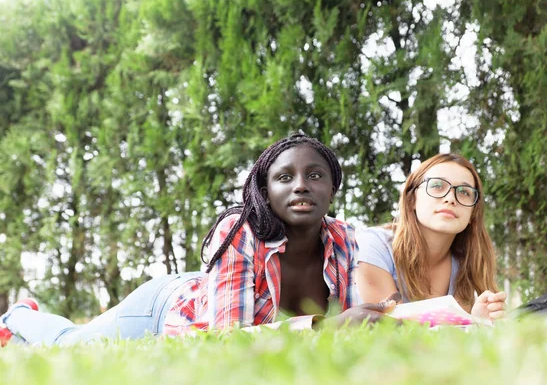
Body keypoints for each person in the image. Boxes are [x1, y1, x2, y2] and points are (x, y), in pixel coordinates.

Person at [0, 134, 395, 347]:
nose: (301, 186)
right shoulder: (240, 231)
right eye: (285, 177)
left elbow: (345, 321)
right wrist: (328, 329)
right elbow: (226, 338)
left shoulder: (344, 238)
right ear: (265, 190)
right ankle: (17, 315)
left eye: (315, 175)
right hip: (164, 307)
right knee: (72, 343)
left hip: (211, 288)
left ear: (332, 187)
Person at [355, 153, 506, 320]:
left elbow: (447, 341)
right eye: (436, 186)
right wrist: (465, 321)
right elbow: (389, 326)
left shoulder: (466, 262)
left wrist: (479, 321)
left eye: (464, 192)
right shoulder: (375, 245)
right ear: (412, 199)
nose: (450, 198)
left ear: (472, 214)